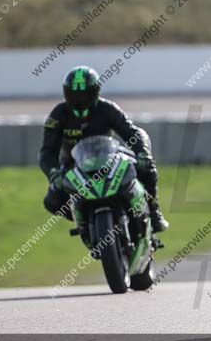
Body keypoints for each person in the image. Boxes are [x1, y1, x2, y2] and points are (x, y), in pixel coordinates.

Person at [39, 66, 169, 232]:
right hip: (73, 165)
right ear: (66, 94)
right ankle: (84, 219)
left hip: (109, 158)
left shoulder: (107, 108)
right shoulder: (58, 115)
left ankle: (153, 211)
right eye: (74, 94)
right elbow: (47, 151)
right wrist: (53, 174)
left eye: (84, 94)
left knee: (147, 168)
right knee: (52, 201)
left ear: (95, 92)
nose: (79, 99)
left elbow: (132, 132)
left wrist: (143, 152)